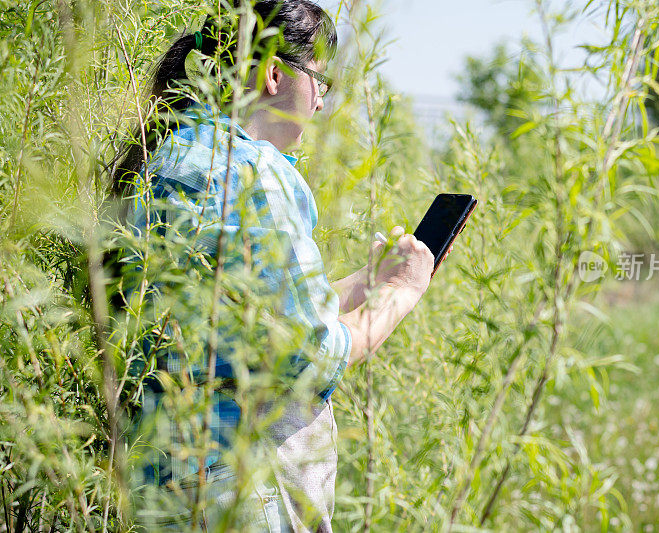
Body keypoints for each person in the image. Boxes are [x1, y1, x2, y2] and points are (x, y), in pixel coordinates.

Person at [114, 1, 434, 531]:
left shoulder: (168, 155)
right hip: (240, 494)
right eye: (320, 81)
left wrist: (368, 282)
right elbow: (311, 358)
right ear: (274, 74)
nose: (322, 99)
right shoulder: (256, 173)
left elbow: (248, 321)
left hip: (160, 485)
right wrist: (404, 293)